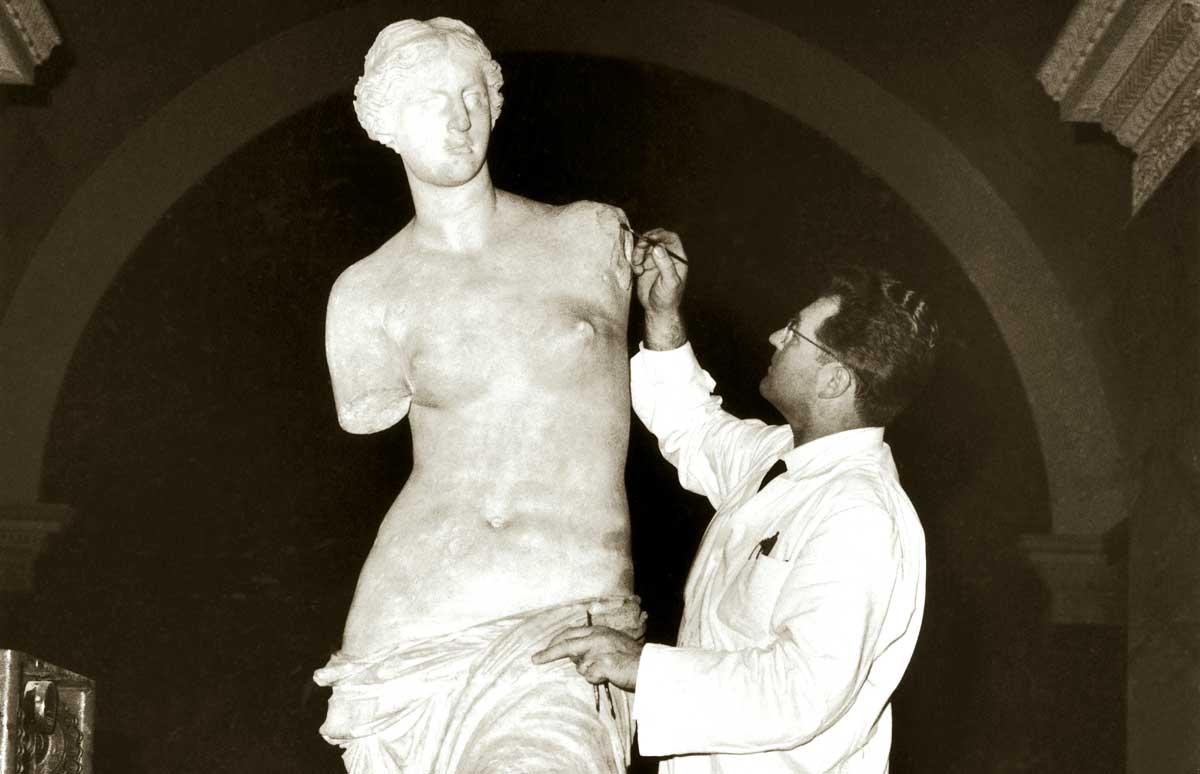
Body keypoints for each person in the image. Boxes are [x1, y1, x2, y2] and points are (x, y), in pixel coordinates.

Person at [312, 18, 644, 774]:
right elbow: (369, 412)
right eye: (431, 100)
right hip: (405, 637)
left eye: (473, 95)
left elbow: (665, 393)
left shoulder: (590, 239)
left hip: (561, 623)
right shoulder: (365, 294)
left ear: (496, 105)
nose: (460, 118)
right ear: (384, 123)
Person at [534, 230, 940, 772]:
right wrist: (662, 312)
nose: (776, 337)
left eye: (796, 334)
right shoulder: (782, 456)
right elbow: (691, 425)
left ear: (836, 381)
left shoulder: (860, 514)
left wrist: (643, 668)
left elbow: (802, 688)